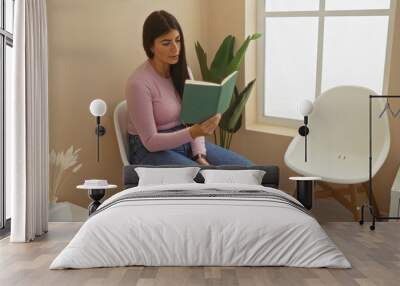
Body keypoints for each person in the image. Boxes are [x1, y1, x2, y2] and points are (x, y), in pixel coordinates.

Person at [125, 10, 252, 166]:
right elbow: (151, 141)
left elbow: (194, 120)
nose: (175, 48)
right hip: (150, 151)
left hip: (186, 140)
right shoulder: (138, 84)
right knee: (201, 181)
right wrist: (193, 133)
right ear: (150, 46)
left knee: (249, 169)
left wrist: (200, 155)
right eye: (166, 43)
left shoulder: (183, 72)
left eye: (178, 40)